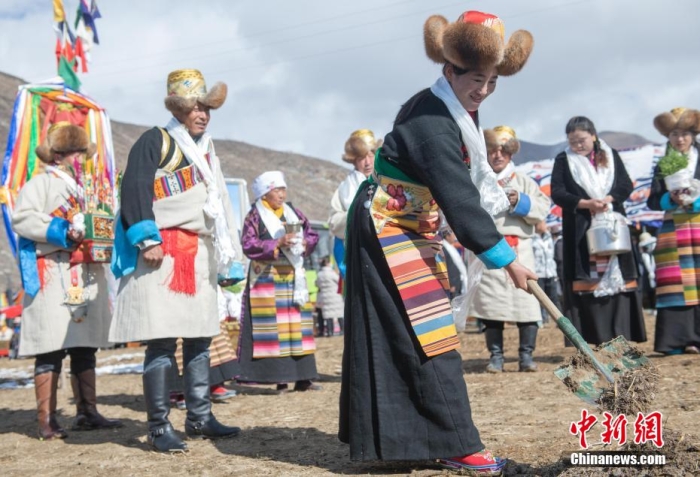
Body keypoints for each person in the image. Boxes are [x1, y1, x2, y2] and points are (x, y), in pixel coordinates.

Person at [339, 11, 536, 474]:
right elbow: (459, 197)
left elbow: (467, 188)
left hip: (409, 226)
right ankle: (457, 443)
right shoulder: (431, 118)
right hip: (387, 228)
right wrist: (505, 259)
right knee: (429, 334)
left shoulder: (457, 111)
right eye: (475, 79)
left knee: (410, 334)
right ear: (450, 70)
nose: (483, 90)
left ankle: (403, 440)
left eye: (491, 82)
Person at [110, 69, 243, 452]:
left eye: (207, 108)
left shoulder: (207, 151)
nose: (202, 114)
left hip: (199, 253)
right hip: (162, 253)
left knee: (200, 339)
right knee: (162, 342)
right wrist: (145, 237)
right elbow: (134, 187)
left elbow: (220, 208)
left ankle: (200, 417)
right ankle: (157, 425)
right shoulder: (156, 140)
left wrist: (226, 257)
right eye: (195, 107)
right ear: (179, 108)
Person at [12, 124, 122, 440]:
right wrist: (63, 230)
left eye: (81, 152)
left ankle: (88, 411)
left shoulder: (84, 188)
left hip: (85, 273)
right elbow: (23, 218)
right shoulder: (39, 184)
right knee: (51, 347)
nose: (79, 158)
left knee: (84, 345)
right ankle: (46, 420)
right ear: (59, 154)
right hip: (54, 271)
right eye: (75, 152)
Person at [551, 116, 646, 346]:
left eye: (582, 140)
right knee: (589, 281)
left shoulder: (611, 156)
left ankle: (621, 333)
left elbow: (625, 184)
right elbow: (558, 192)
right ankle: (594, 336)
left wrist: (609, 199)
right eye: (573, 141)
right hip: (582, 228)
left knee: (620, 280)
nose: (578, 145)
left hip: (613, 224)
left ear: (593, 135)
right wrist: (586, 204)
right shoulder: (564, 159)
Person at [469, 126, 550, 373]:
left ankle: (526, 356)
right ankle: (496, 357)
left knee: (527, 303)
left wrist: (519, 201)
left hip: (520, 247)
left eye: (503, 151)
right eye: (492, 150)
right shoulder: (477, 179)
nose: (497, 155)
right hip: (489, 247)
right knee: (492, 306)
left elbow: (542, 208)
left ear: (511, 153)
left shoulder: (523, 181)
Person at [237, 171, 321, 393]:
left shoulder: (293, 212)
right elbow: (248, 244)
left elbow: (311, 234)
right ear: (265, 194)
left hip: (294, 276)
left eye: (283, 189)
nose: (282, 194)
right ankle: (280, 378)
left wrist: (304, 244)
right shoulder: (254, 216)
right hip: (268, 278)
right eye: (277, 190)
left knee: (298, 327)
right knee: (276, 329)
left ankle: (304, 377)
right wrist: (277, 243)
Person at [646, 107, 700, 355]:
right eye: (675, 134)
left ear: (693, 135)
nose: (680, 139)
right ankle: (679, 340)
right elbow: (652, 201)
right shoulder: (663, 164)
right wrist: (670, 198)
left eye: (685, 134)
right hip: (673, 228)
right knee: (677, 282)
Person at [328, 129, 380, 281]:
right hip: (356, 256)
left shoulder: (386, 181)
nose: (368, 162)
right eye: (361, 157)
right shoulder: (344, 189)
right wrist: (357, 213)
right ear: (353, 160)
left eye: (371, 155)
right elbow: (334, 223)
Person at [532, 220, 561, 324]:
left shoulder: (549, 237)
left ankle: (559, 319)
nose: (545, 225)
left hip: (550, 272)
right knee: (540, 298)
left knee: (554, 297)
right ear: (537, 225)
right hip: (538, 273)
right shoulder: (531, 238)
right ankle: (542, 319)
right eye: (543, 223)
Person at [315, 256, 344, 336]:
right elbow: (339, 280)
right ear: (328, 263)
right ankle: (343, 329)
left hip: (325, 297)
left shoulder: (319, 274)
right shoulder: (332, 273)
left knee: (328, 314)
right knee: (339, 313)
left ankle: (330, 331)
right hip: (335, 296)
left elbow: (317, 284)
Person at [637, 231, 657, 312]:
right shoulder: (643, 255)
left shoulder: (654, 253)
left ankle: (655, 307)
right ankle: (649, 307)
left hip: (655, 275)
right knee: (648, 292)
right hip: (646, 277)